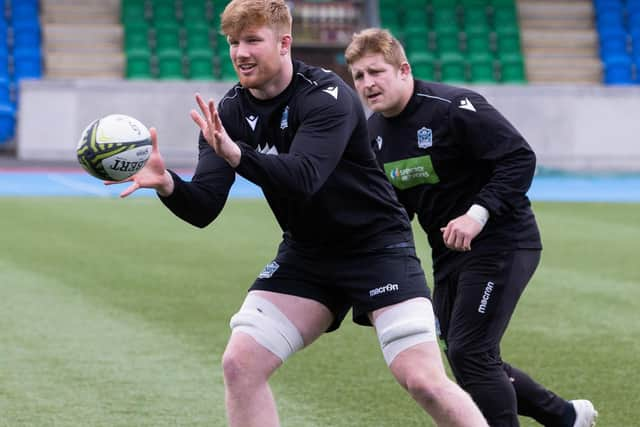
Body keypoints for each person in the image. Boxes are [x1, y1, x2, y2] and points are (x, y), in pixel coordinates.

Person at [112, 1, 489, 426]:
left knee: (421, 379)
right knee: (241, 364)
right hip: (307, 255)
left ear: (284, 43)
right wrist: (168, 185)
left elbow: (304, 176)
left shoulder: (328, 96)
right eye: (234, 42)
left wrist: (238, 154)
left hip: (377, 247)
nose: (241, 52)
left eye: (253, 40)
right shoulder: (230, 114)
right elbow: (204, 208)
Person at [345, 28, 598, 427]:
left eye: (376, 71)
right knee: (467, 357)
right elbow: (391, 211)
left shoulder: (452, 107)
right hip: (448, 254)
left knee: (471, 353)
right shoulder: (373, 136)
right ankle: (565, 416)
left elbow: (519, 158)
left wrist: (477, 214)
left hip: (503, 241)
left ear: (404, 70)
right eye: (358, 76)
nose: (367, 84)